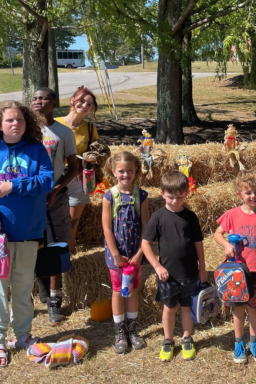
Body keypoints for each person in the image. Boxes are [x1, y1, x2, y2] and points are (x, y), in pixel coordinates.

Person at [0, 101, 53, 366]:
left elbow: (46, 181)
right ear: (1, 123)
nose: (15, 124)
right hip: (0, 235)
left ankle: (21, 335)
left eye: (20, 119)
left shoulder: (36, 149)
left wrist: (12, 186)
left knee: (22, 287)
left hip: (28, 230)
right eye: (9, 120)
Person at [142, 171, 206, 362]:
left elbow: (198, 244)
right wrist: (157, 266)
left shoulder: (190, 217)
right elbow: (146, 244)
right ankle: (168, 340)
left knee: (186, 307)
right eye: (171, 197)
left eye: (180, 197)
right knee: (169, 308)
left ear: (186, 193)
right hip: (167, 275)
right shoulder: (158, 217)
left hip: (189, 273)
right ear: (162, 193)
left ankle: (187, 338)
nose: (175, 201)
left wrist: (202, 268)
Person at [214, 170, 256, 364]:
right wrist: (226, 245)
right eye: (247, 192)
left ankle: (254, 343)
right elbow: (217, 234)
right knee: (239, 309)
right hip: (236, 271)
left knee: (254, 308)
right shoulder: (231, 215)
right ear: (239, 193)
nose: (253, 196)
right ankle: (239, 343)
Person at [30, 88, 78, 325]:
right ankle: (41, 284)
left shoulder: (63, 132)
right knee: (33, 244)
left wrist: (56, 189)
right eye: (34, 98)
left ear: (54, 103)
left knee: (57, 244)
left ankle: (55, 301)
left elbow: (73, 167)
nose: (37, 101)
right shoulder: (25, 131)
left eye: (43, 98)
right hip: (29, 198)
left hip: (56, 197)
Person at [102, 151, 149, 353]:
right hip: (117, 254)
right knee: (117, 291)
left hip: (135, 253)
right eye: (121, 171)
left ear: (136, 170)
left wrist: (140, 253)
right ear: (113, 171)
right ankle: (119, 330)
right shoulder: (109, 196)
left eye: (129, 171)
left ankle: (133, 328)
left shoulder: (141, 195)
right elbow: (106, 228)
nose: (125, 175)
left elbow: (146, 226)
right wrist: (115, 254)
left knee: (133, 289)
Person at [55, 86, 98, 253]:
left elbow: (97, 149)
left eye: (89, 104)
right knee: (55, 221)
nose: (85, 105)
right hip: (55, 178)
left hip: (78, 180)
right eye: (81, 100)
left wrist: (92, 157)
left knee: (72, 223)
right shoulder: (54, 123)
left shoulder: (90, 128)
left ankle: (69, 259)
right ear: (72, 100)